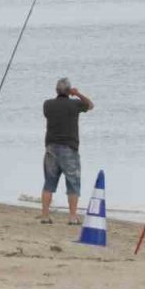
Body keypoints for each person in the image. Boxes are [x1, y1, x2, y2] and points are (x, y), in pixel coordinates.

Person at [40, 77, 94, 224]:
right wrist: (77, 93)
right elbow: (90, 105)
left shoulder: (48, 104)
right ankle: (72, 217)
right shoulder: (74, 104)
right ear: (68, 91)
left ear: (56, 90)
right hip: (69, 148)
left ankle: (45, 216)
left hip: (51, 147)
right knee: (73, 183)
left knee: (49, 183)